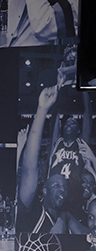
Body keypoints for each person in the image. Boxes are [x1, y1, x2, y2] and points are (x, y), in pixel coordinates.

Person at [16, 81, 83, 233]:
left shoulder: (69, 220)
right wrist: (42, 109)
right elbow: (29, 166)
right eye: (57, 186)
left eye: (64, 187)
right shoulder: (32, 211)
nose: (63, 190)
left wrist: (64, 218)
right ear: (44, 191)